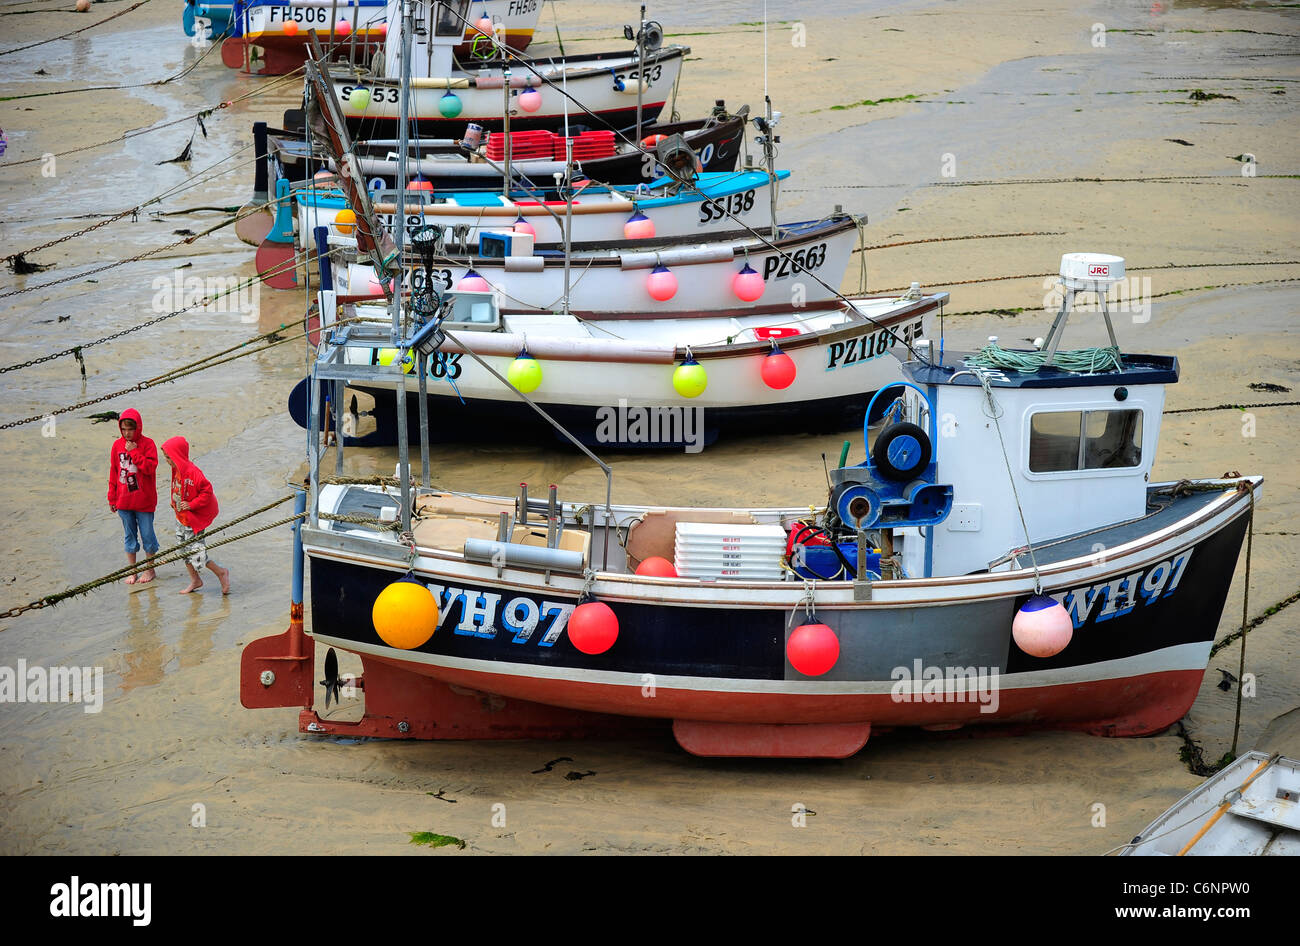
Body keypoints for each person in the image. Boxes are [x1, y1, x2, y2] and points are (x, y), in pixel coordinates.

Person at [161, 436, 231, 595]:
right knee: (183, 551)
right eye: (165, 457)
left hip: (193, 520)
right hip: (181, 518)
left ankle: (221, 572)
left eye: (168, 457)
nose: (167, 461)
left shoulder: (193, 472)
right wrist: (174, 501)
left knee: (197, 555)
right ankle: (195, 580)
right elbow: (177, 488)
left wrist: (192, 505)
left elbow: (207, 492)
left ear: (178, 455)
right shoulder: (176, 469)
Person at [107, 408, 159, 585]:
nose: (127, 433)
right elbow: (114, 472)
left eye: (130, 429)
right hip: (124, 501)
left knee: (147, 536)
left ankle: (150, 569)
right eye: (124, 429)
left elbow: (150, 468)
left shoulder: (148, 444)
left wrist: (135, 452)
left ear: (138, 428)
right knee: (129, 537)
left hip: (144, 501)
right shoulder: (116, 446)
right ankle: (133, 570)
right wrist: (112, 497)